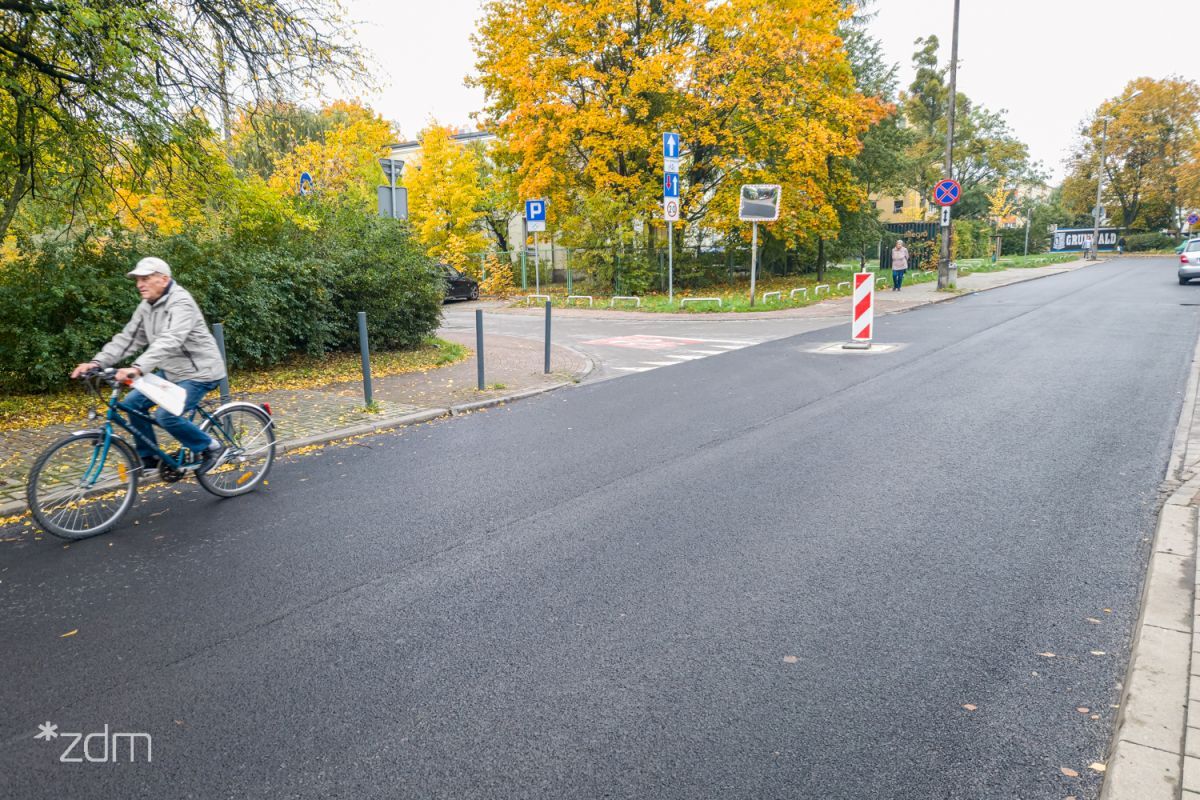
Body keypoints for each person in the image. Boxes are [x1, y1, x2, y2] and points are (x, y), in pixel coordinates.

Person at [71, 257, 228, 475]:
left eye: (145, 278)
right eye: (137, 279)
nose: (139, 284)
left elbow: (171, 339)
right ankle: (150, 458)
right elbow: (128, 338)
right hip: (171, 371)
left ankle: (212, 447)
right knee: (131, 404)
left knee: (166, 416)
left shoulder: (181, 302)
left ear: (164, 280)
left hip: (200, 371)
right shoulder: (147, 306)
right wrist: (97, 362)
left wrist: (137, 368)